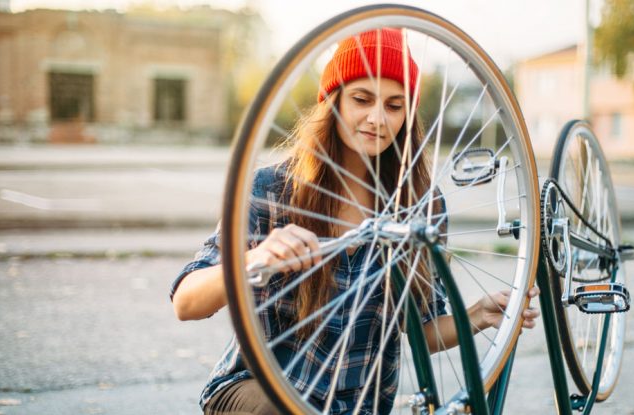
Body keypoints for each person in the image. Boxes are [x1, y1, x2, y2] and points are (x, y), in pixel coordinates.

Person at [171, 28, 540, 415]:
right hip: (258, 392)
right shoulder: (271, 189)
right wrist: (254, 260)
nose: (377, 118)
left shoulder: (422, 205)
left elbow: (420, 330)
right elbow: (186, 302)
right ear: (333, 102)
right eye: (362, 99)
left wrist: (478, 315)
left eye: (395, 106)